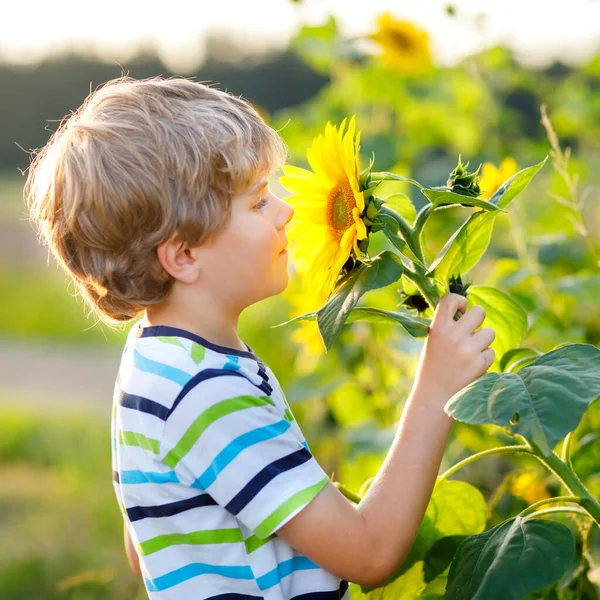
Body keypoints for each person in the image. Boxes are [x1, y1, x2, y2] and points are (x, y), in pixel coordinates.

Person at [24, 75, 496, 599]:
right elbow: (370, 553)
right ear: (183, 256)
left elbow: (147, 546)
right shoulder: (204, 393)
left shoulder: (158, 361)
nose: (287, 211)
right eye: (257, 202)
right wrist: (436, 391)